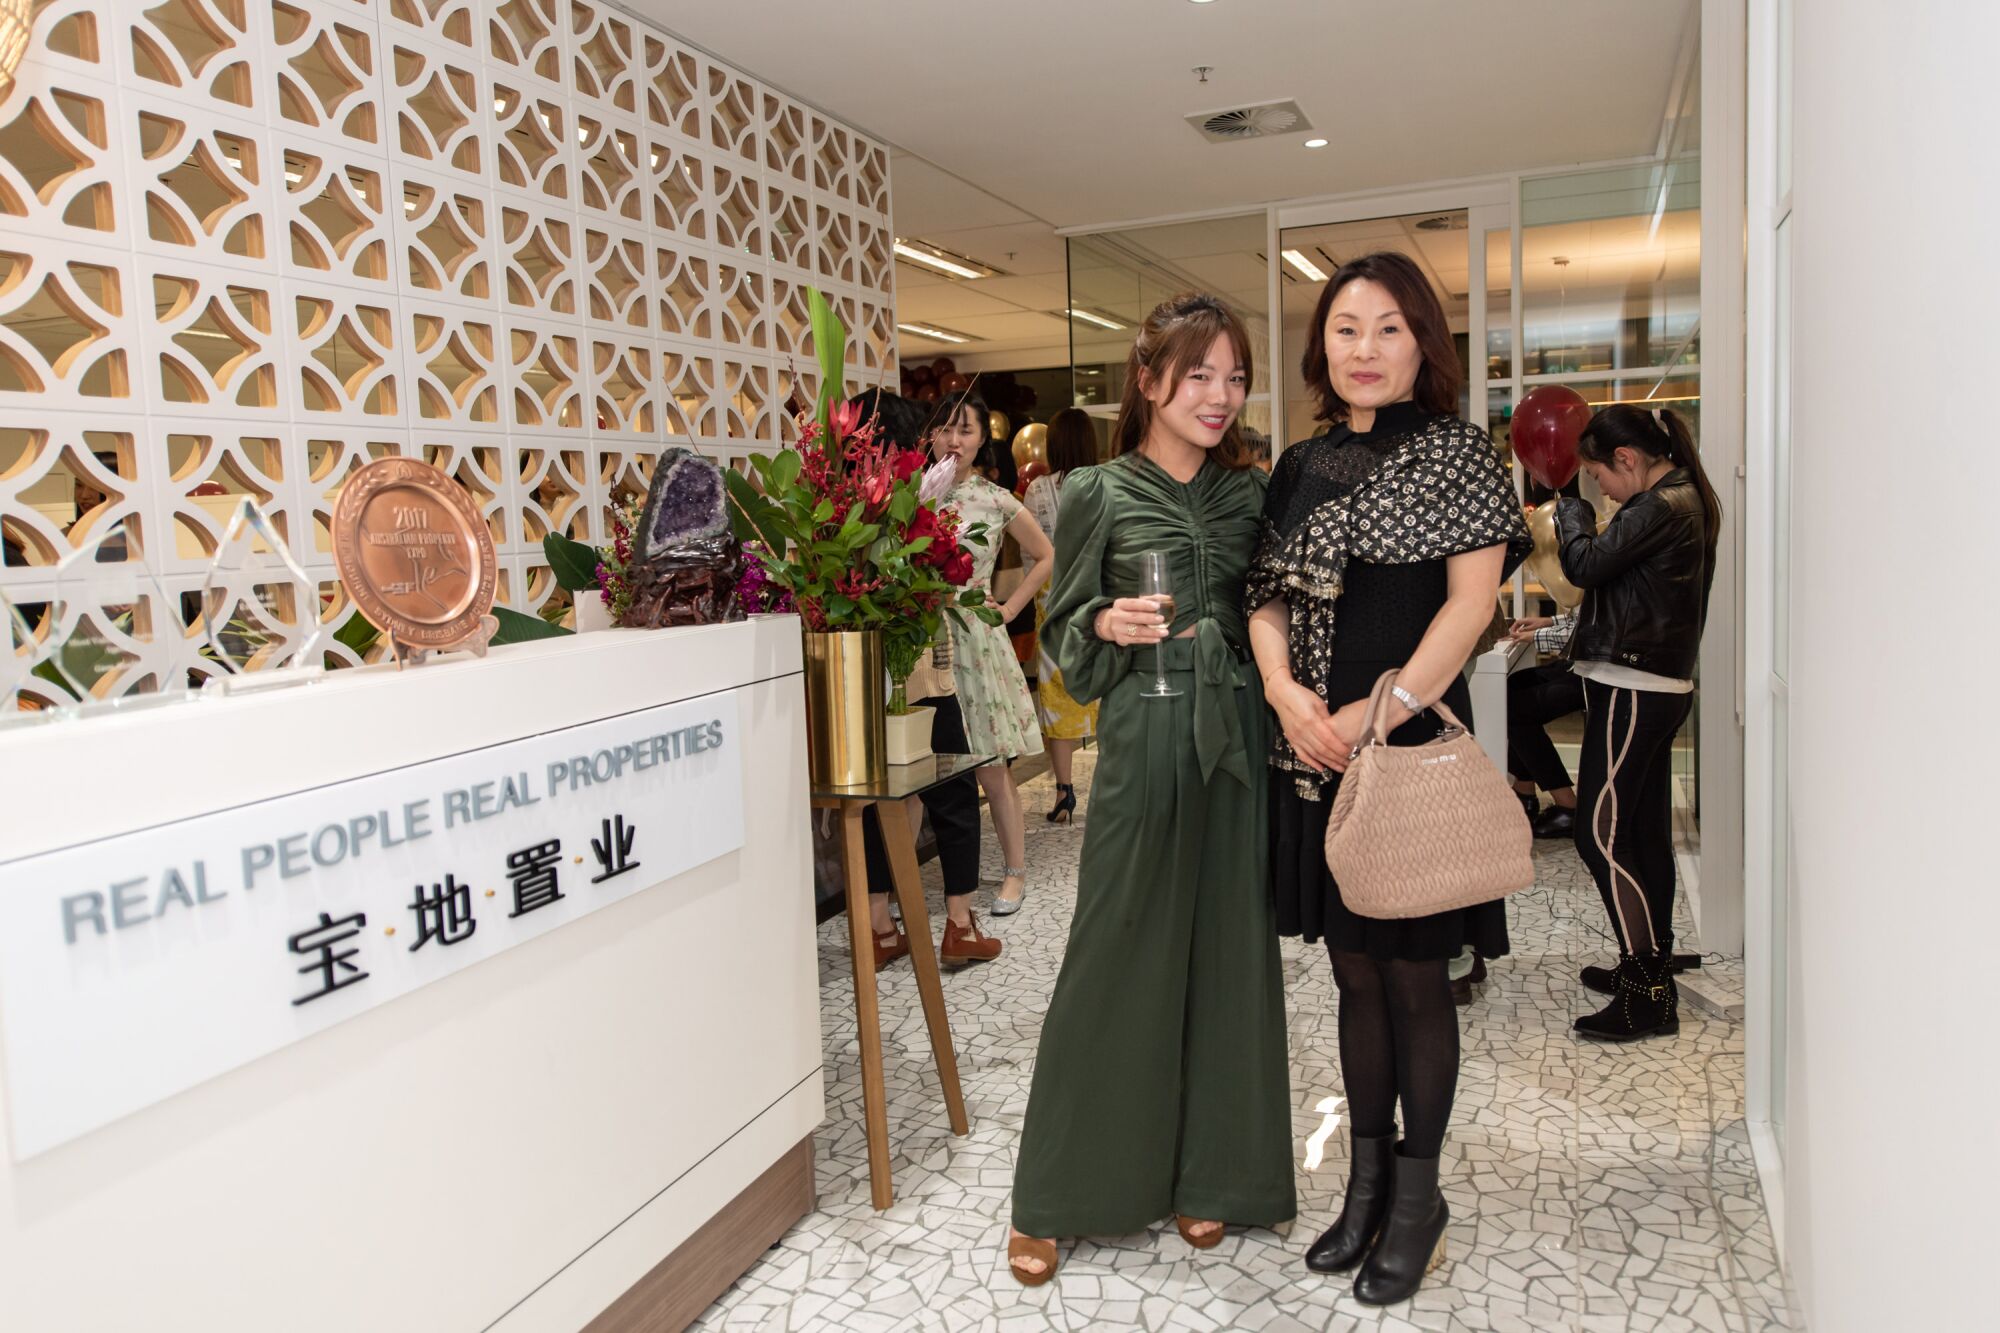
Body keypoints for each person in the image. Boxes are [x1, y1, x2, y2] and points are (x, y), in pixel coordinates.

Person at [1247, 252, 1528, 1306]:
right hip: (1314, 750)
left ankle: (1417, 1199)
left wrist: (1378, 710)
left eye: (1388, 329)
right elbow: (1263, 595)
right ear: (1320, 344)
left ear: (1423, 343)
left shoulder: (1458, 453)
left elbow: (1469, 606)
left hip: (1403, 747)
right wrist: (1283, 692)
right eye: (1344, 328)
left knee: (1414, 978)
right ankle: (1364, 1189)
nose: (1363, 349)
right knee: (1352, 973)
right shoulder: (1300, 464)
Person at [1007, 293, 1294, 1284]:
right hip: (1142, 735)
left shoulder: (1250, 493)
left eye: (1234, 376)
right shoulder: (1095, 490)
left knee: (1228, 950)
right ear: (1149, 379)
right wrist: (1103, 625)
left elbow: (1276, 611)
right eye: (1198, 373)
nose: (1220, 395)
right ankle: (1060, 1191)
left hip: (1235, 739)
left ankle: (1214, 1172)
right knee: (1114, 947)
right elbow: (1063, 637)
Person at [1554, 403, 1719, 1041]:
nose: (1600, 490)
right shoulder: (1685, 497)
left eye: (1599, 476)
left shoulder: (1660, 505)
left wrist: (1568, 510)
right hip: (1655, 683)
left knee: (1600, 836)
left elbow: (1584, 565)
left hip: (1634, 685)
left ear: (1626, 459)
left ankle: (1647, 990)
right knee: (1643, 834)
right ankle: (1648, 959)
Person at [846, 390, 1000, 970]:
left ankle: (880, 927)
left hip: (861, 675)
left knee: (876, 795)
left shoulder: (839, 503)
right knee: (953, 791)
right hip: (918, 668)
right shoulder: (915, 501)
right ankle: (959, 924)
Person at [932, 395, 1053, 915]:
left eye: (965, 430)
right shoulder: (911, 496)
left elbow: (1045, 555)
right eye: (945, 429)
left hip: (975, 638)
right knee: (924, 768)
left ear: (983, 439)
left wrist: (1009, 609)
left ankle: (1014, 872)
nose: (954, 440)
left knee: (989, 764)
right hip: (922, 641)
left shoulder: (994, 498)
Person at [1023, 407, 1100, 824]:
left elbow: (1030, 556)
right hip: (1098, 603)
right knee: (1103, 688)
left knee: (1056, 694)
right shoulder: (1105, 483)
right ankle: (1108, 789)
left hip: (1053, 606)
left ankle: (1064, 792)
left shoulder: (1037, 490)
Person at [1504, 610, 1585, 837]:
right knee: (1512, 686)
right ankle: (1524, 793)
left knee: (1516, 707)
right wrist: (1550, 621)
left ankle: (1568, 807)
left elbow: (1597, 630)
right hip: (1583, 664)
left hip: (1603, 671)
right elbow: (1592, 612)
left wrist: (1539, 635)